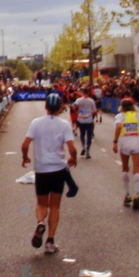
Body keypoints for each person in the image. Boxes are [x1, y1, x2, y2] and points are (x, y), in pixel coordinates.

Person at [21, 92, 77, 255]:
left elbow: (25, 144)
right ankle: (50, 242)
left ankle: (40, 222)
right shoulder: (64, 124)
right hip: (58, 169)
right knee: (55, 206)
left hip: (41, 170)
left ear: (45, 107)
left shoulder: (36, 123)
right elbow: (72, 148)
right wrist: (73, 157)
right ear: (60, 108)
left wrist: (25, 157)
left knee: (41, 204)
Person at [112, 98, 139, 210]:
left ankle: (127, 194)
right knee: (137, 168)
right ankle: (137, 194)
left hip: (124, 143)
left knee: (125, 167)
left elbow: (118, 126)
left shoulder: (120, 116)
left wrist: (115, 141)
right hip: (136, 143)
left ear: (122, 107)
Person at [74, 87, 97, 158]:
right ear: (89, 93)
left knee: (82, 134)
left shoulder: (78, 100)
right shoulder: (91, 101)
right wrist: (90, 114)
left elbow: (74, 107)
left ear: (82, 93)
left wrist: (78, 113)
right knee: (89, 135)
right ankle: (87, 151)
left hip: (81, 119)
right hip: (89, 120)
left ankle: (83, 146)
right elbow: (95, 111)